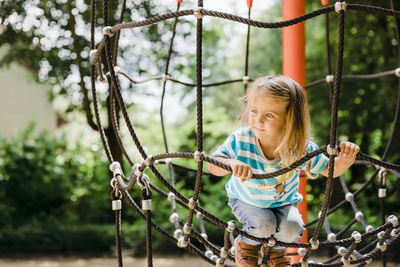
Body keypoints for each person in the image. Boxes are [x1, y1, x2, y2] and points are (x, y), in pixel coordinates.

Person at [207, 75, 359, 267]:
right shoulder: (241, 139)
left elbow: (330, 170)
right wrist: (230, 164)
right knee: (264, 224)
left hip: (283, 202)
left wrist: (345, 159)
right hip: (246, 199)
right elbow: (213, 165)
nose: (257, 120)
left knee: (293, 228)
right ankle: (246, 244)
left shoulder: (298, 146)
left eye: (269, 115)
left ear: (289, 120)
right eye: (254, 111)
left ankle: (275, 251)